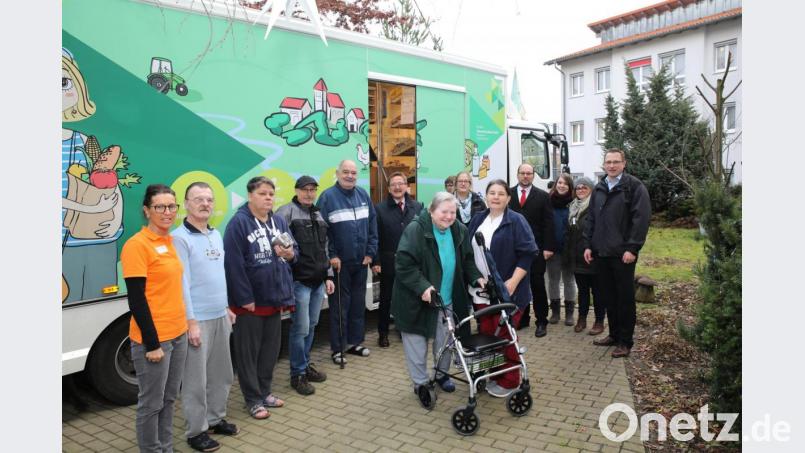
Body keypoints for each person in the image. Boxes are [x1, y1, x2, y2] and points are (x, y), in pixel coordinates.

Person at [392, 192, 485, 395]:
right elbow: (404, 265)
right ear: (432, 211)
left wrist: (477, 277)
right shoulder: (416, 230)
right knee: (417, 345)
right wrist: (424, 287)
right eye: (444, 212)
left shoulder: (459, 230)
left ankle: (442, 375)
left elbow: (467, 260)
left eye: (453, 212)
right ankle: (421, 383)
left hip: (446, 300)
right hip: (416, 300)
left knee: (445, 342)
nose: (449, 217)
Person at [172, 182, 238, 452]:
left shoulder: (215, 234)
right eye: (198, 199)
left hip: (220, 315)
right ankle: (196, 431)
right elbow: (182, 283)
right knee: (195, 381)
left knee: (221, 374)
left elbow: (218, 275)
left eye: (209, 199)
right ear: (186, 204)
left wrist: (226, 307)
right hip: (197, 320)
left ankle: (215, 418)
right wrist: (191, 322)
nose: (205, 204)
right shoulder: (179, 238)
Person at [121, 184, 187, 453]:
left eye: (172, 206)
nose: (167, 212)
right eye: (160, 207)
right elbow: (136, 300)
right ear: (147, 210)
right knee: (151, 403)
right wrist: (152, 344)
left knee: (170, 398)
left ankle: (166, 447)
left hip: (178, 334)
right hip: (155, 340)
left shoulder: (169, 241)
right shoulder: (137, 246)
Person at [224, 176, 297, 419]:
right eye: (262, 193)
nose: (268, 198)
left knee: (270, 352)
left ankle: (265, 392)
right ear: (250, 196)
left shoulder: (277, 221)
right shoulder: (239, 224)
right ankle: (253, 399)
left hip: (274, 301)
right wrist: (244, 298)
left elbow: (292, 251)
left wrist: (289, 254)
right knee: (248, 355)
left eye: (271, 194)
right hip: (250, 305)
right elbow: (233, 265)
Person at [62, 47, 123, 303]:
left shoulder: (83, 140)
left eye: (64, 82)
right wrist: (90, 210)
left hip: (96, 239)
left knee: (102, 297)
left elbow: (107, 184)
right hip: (63, 243)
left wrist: (115, 219)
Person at [468, 179, 537, 398]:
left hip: (509, 292)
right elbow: (468, 254)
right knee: (488, 337)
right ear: (486, 196)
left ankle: (509, 380)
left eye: (500, 193)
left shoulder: (517, 221)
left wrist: (513, 282)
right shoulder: (478, 219)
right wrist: (476, 278)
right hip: (481, 292)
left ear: (508, 198)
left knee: (506, 336)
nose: (496, 197)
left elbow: (528, 254)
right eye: (492, 193)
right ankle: (492, 375)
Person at [584, 149, 651, 358]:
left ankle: (625, 341)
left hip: (622, 255)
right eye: (608, 162)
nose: (611, 166)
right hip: (601, 253)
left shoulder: (634, 187)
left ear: (624, 163)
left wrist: (632, 248)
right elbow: (591, 218)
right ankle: (613, 334)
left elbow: (641, 220)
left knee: (624, 299)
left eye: (616, 162)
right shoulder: (599, 188)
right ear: (604, 165)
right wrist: (588, 244)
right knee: (607, 297)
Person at [275, 176, 334, 395]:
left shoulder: (318, 214)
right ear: (297, 191)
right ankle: (297, 374)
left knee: (311, 326)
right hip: (299, 282)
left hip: (318, 282)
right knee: (300, 329)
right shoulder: (286, 212)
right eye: (305, 190)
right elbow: (278, 247)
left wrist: (328, 275)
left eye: (312, 190)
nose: (309, 193)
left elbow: (325, 248)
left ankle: (305, 365)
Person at [317, 160, 378, 365]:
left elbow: (372, 226)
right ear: (337, 173)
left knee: (358, 305)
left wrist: (370, 253)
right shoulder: (327, 197)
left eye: (353, 172)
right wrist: (332, 255)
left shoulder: (363, 195)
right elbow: (322, 232)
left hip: (361, 263)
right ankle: (338, 348)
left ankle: (354, 343)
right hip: (339, 264)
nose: (350, 176)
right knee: (340, 308)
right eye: (346, 172)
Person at [372, 172, 424, 348]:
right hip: (388, 263)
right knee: (386, 299)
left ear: (406, 186)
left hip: (411, 263)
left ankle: (405, 330)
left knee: (409, 299)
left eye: (401, 183)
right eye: (393, 184)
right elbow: (375, 237)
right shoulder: (379, 209)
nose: (397, 187)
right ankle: (383, 333)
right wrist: (376, 261)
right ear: (388, 188)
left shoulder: (417, 207)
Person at [508, 163, 556, 338]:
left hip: (536, 250)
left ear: (533, 175)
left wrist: (548, 247)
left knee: (537, 284)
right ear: (517, 174)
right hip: (514, 250)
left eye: (529, 173)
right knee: (519, 284)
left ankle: (541, 320)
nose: (526, 176)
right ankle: (522, 318)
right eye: (523, 173)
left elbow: (549, 224)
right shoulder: (508, 194)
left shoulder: (543, 196)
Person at [563, 177, 606, 335]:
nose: (581, 189)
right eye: (578, 187)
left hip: (592, 257)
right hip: (577, 257)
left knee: (598, 291)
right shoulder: (572, 207)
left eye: (584, 187)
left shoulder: (596, 207)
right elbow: (569, 234)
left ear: (591, 190)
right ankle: (582, 319)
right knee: (582, 291)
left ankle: (599, 321)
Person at [546, 174, 578, 326]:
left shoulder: (574, 203)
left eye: (565, 184)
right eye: (559, 182)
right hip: (553, 249)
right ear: (555, 184)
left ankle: (570, 314)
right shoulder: (548, 202)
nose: (562, 185)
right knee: (553, 281)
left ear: (570, 187)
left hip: (569, 250)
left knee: (569, 280)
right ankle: (555, 312)